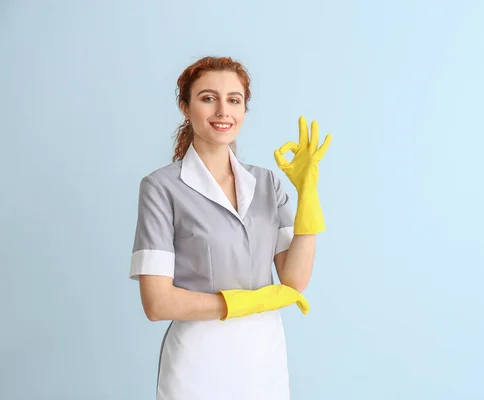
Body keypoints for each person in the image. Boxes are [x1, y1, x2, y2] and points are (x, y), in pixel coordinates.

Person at [128, 56, 332, 400]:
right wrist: (244, 303)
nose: (223, 111)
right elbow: (157, 303)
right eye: (208, 98)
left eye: (234, 100)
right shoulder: (161, 187)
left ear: (244, 110)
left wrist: (308, 195)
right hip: (198, 364)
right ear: (185, 106)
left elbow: (294, 281)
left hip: (264, 359)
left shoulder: (266, 182)